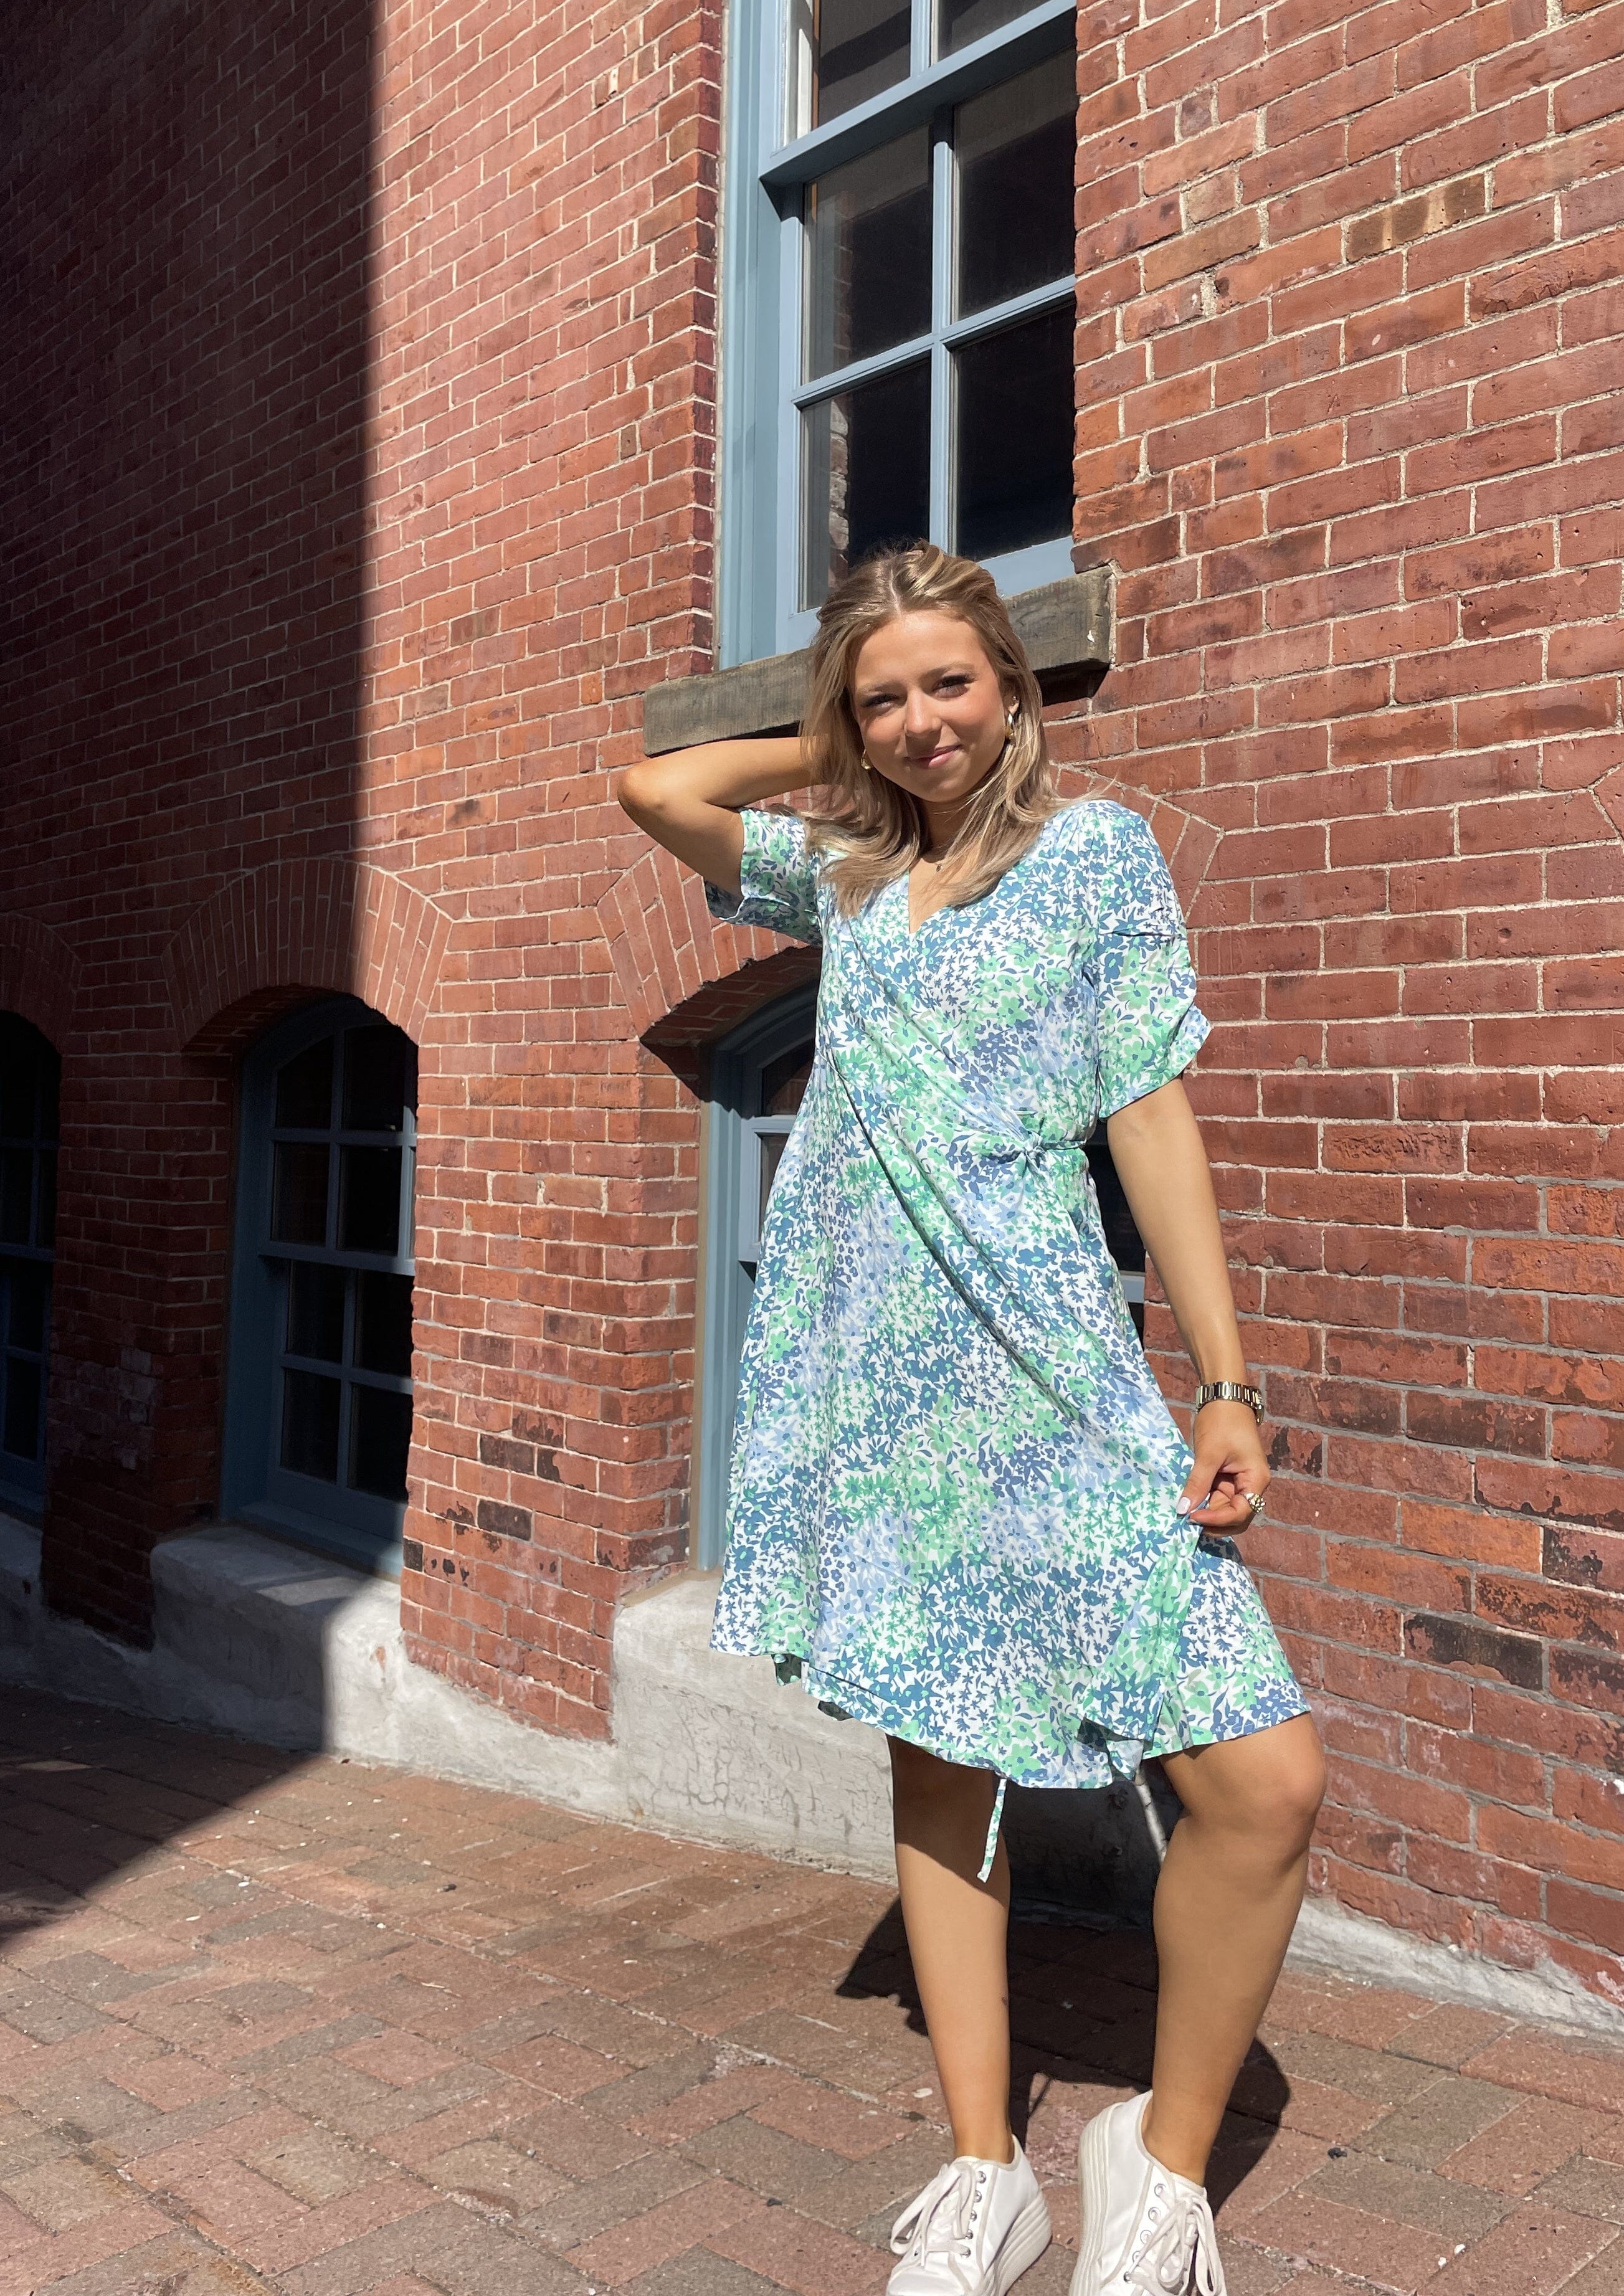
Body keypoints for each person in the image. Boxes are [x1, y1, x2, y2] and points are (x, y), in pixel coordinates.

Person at [616, 544, 1324, 2296]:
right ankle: (982, 2166)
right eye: (886, 698)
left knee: (1263, 1782)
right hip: (881, 1385)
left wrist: (1224, 1381)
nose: (923, 722)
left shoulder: (1099, 855)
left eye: (950, 682)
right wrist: (837, 742)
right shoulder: (850, 877)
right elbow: (657, 788)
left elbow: (1148, 1116)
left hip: (1056, 1364)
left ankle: (1158, 2165)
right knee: (943, 1762)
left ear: (1012, 683)